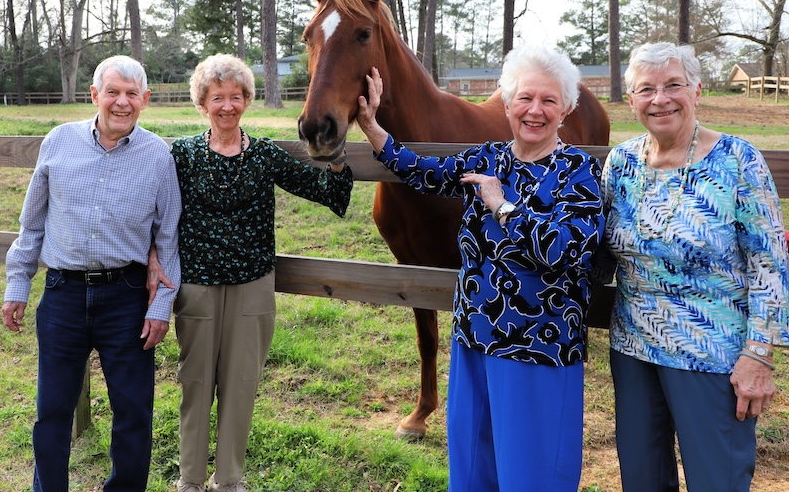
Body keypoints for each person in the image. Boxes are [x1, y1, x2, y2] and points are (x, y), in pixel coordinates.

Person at [355, 46, 605, 492]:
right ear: (506, 104)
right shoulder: (487, 158)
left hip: (537, 350)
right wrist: (373, 127)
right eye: (524, 98)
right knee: (474, 470)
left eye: (549, 101)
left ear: (566, 110)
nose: (535, 110)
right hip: (474, 340)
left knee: (530, 474)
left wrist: (503, 206)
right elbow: (422, 172)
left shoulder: (578, 172)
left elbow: (566, 251)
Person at [154, 54, 353, 492]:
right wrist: (152, 256)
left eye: (236, 96)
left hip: (253, 287)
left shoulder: (264, 154)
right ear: (202, 102)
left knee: (241, 385)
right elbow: (155, 211)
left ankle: (229, 481)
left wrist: (338, 154)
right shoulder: (181, 154)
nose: (227, 105)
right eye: (217, 97)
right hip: (198, 286)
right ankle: (189, 480)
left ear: (247, 100)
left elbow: (326, 194)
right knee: (196, 383)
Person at [598, 41, 789, 491]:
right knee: (642, 478)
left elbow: (769, 264)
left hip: (714, 351)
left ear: (697, 91)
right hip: (633, 348)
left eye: (673, 85)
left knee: (715, 479)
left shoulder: (739, 161)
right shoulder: (621, 163)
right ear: (632, 101)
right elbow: (598, 251)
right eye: (646, 89)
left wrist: (758, 355)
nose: (660, 99)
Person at [1, 55, 182, 492]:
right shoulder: (58, 142)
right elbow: (33, 224)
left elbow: (169, 236)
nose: (122, 102)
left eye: (132, 94)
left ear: (146, 100)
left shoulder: (159, 156)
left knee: (134, 411)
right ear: (95, 95)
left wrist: (160, 306)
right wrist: (17, 284)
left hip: (127, 297)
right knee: (53, 411)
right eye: (113, 92)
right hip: (62, 294)